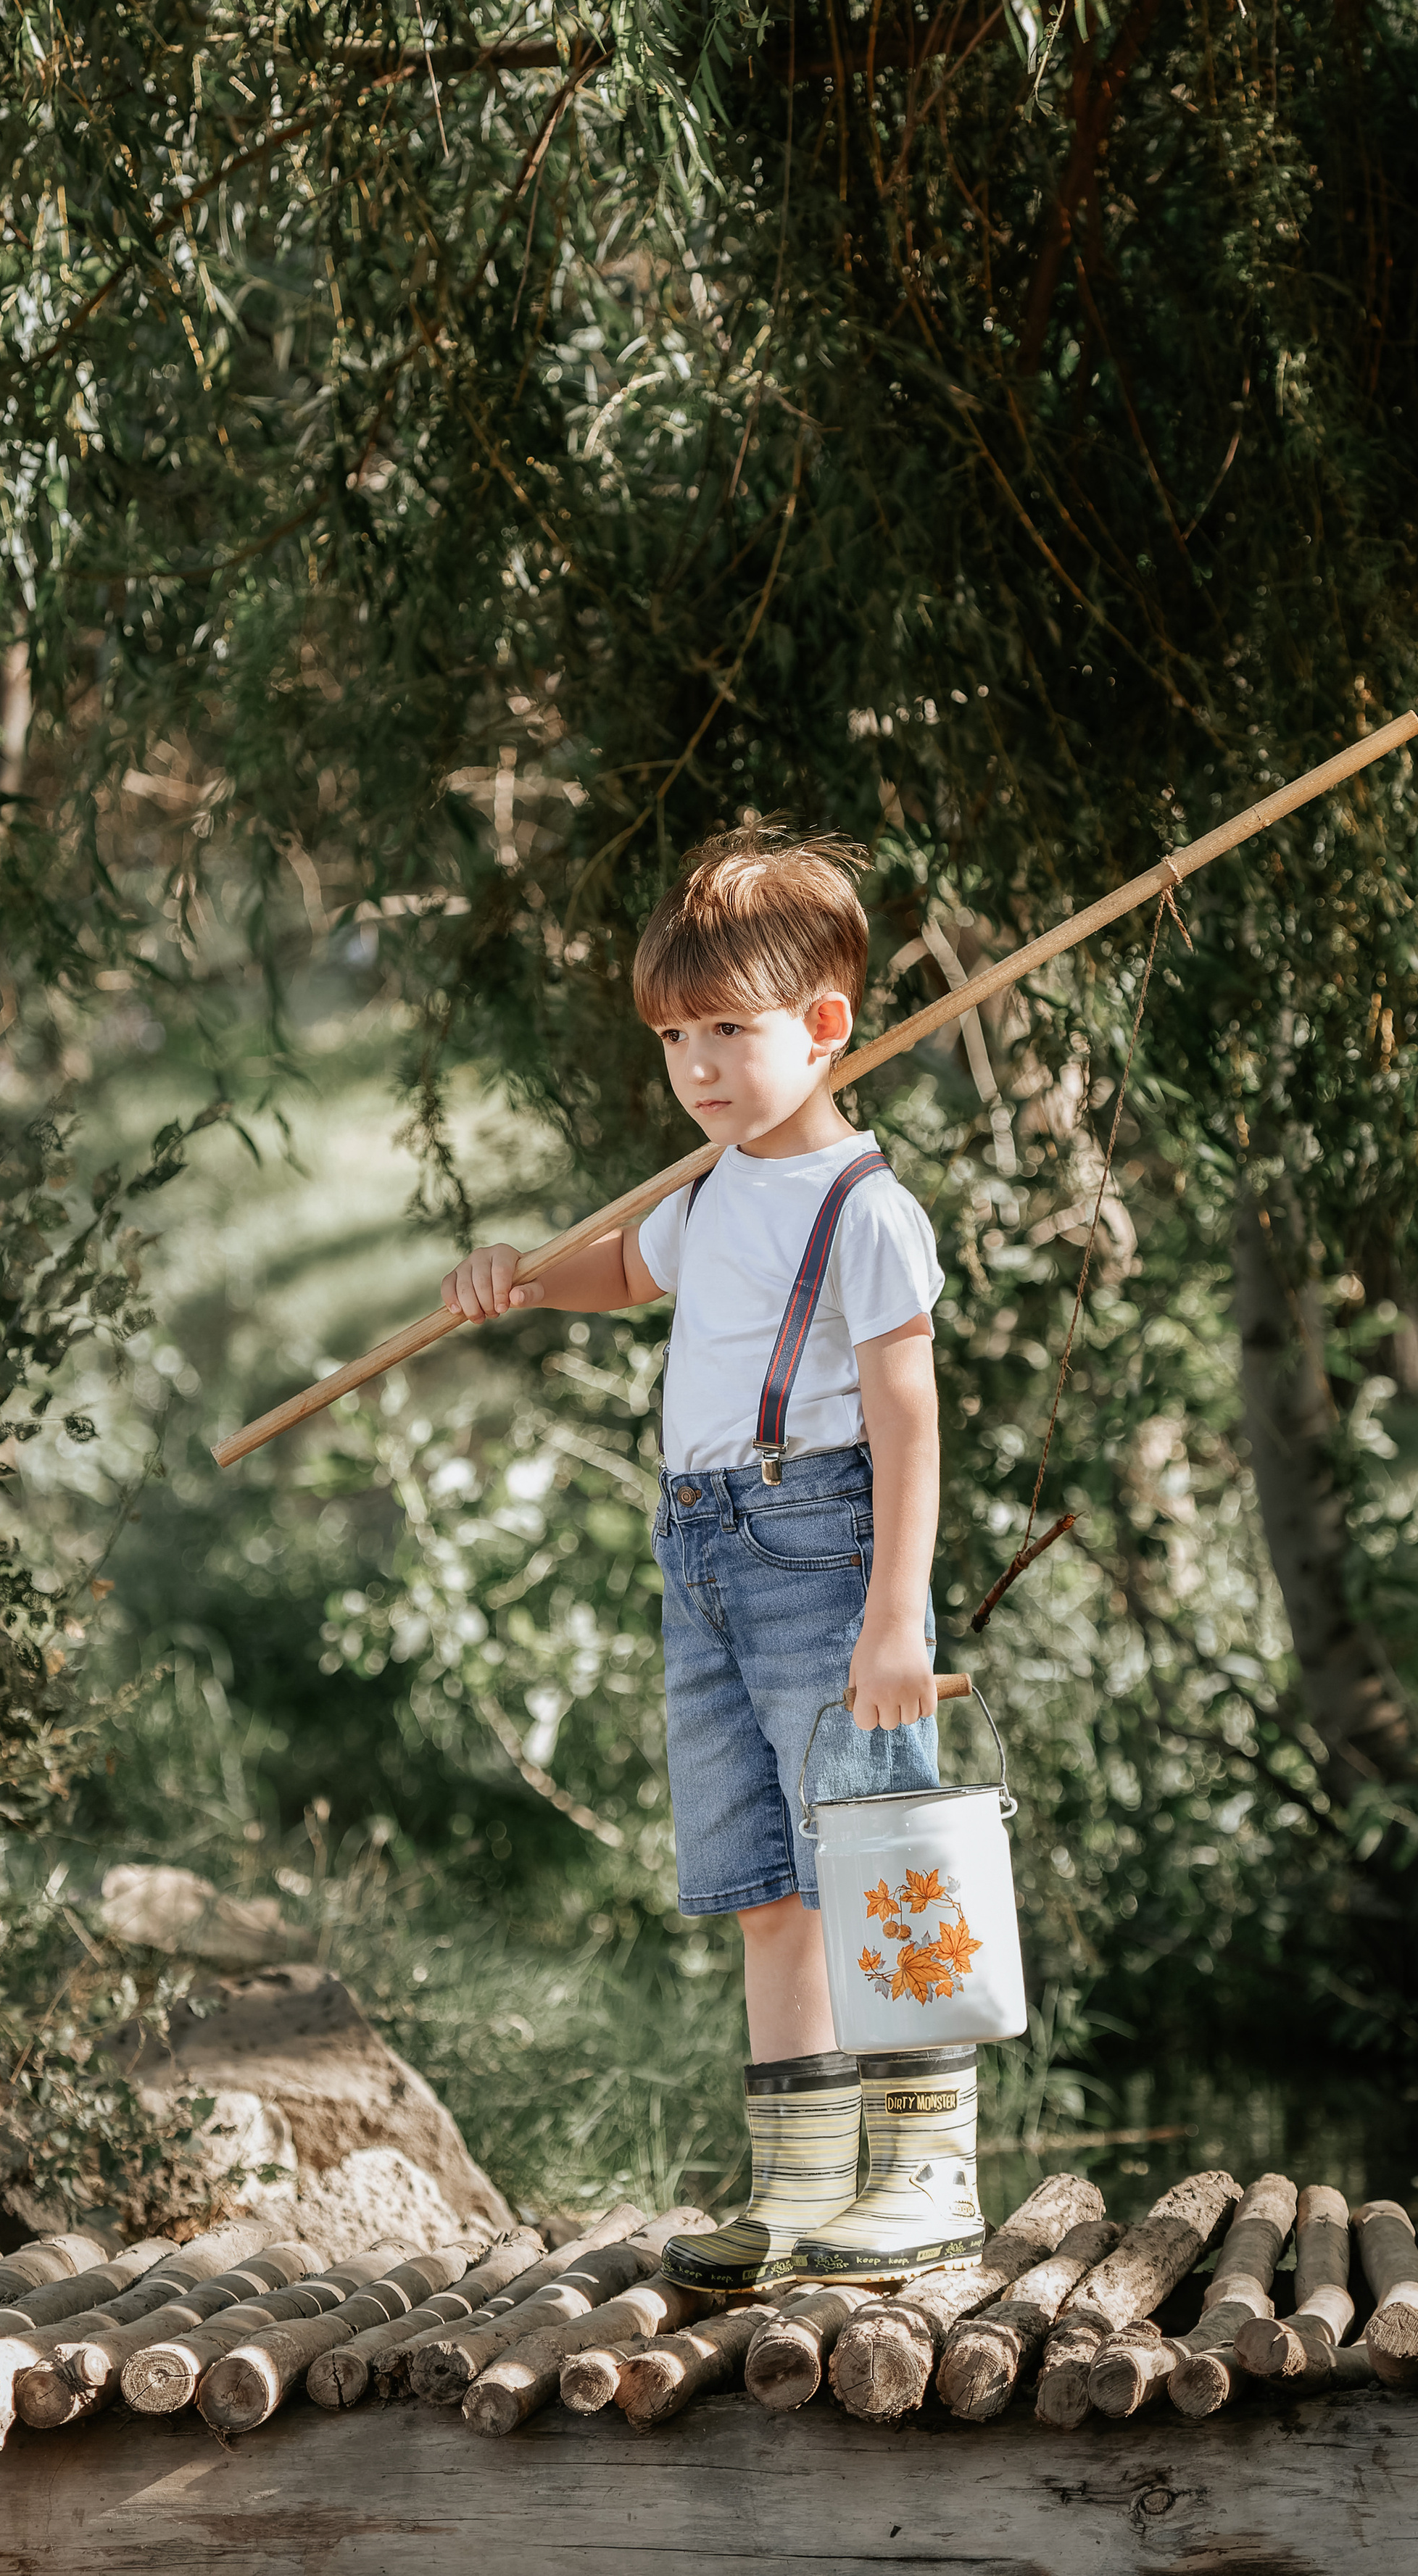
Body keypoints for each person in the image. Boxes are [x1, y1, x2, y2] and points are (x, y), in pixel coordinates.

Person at [440, 828, 982, 2288]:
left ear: (822, 1028)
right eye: (675, 1038)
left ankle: (925, 2176)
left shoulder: (862, 1209)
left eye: (727, 1033)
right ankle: (800, 2191)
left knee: (877, 1862)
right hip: (701, 1553)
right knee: (761, 1885)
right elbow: (620, 1270)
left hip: (819, 1549)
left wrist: (893, 1616)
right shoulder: (711, 1185)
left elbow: (906, 1421)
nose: (694, 1067)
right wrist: (517, 1280)